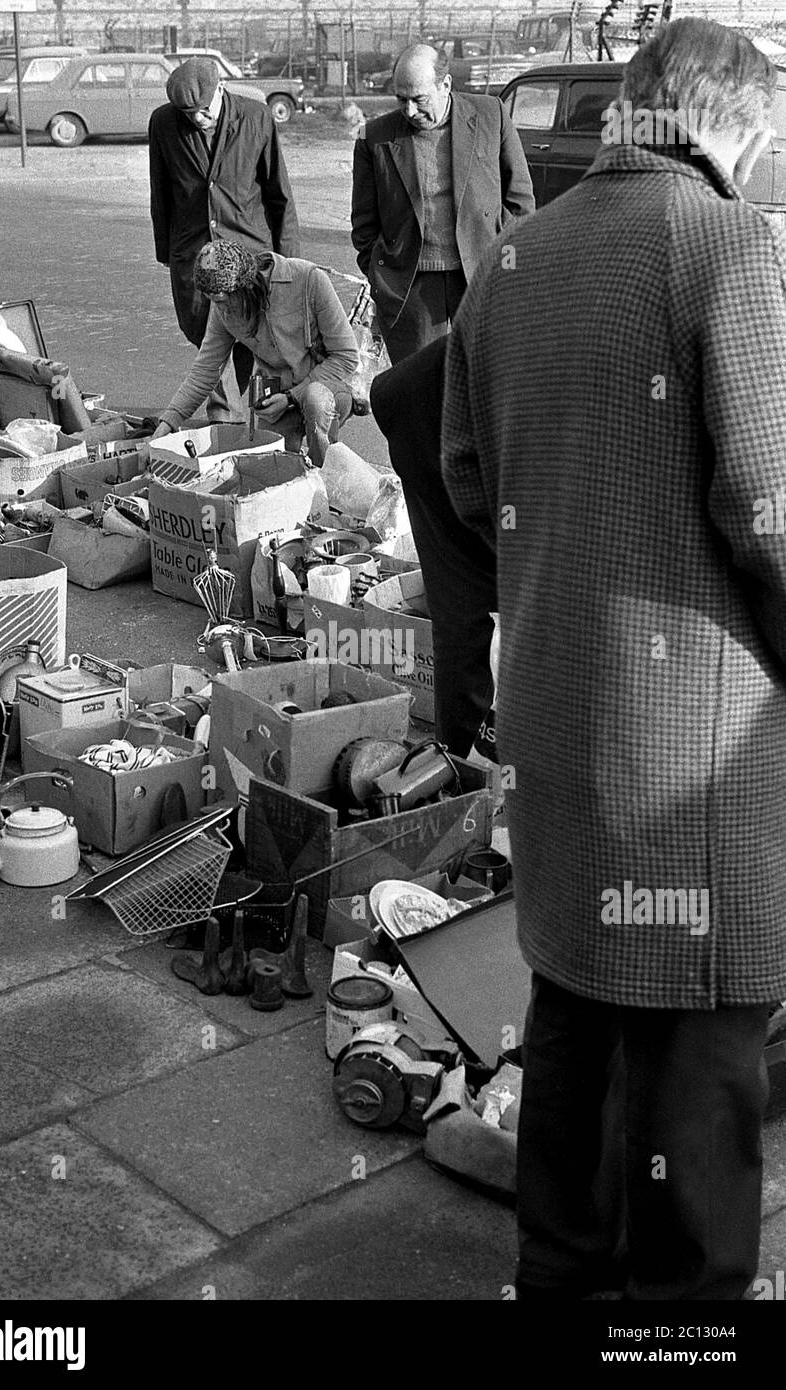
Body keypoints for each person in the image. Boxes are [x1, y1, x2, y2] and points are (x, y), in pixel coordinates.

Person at [441, 17, 786, 1300]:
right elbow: (768, 506)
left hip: (555, 705)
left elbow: (466, 476)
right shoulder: (725, 243)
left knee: (576, 1009)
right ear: (727, 121)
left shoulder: (512, 258)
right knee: (699, 1063)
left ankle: (563, 1276)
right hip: (694, 741)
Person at [350, 42, 534, 365]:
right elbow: (364, 226)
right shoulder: (374, 139)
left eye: (419, 99)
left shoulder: (491, 116)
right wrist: (384, 277)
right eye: (400, 99)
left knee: (484, 384)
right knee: (421, 396)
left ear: (445, 85)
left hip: (482, 280)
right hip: (411, 292)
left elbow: (520, 204)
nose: (409, 111)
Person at [149, 57, 300, 420]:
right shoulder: (163, 123)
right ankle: (224, 423)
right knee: (208, 340)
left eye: (204, 111)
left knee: (260, 339)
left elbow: (279, 192)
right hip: (195, 255)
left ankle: (266, 419)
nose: (198, 120)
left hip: (251, 251)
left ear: (221, 88)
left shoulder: (256, 118)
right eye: (188, 114)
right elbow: (161, 191)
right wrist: (169, 253)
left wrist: (289, 259)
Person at [370, 336, 496, 758]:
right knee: (465, 609)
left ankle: (461, 765)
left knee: (464, 610)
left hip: (424, 402)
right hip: (430, 416)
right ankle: (465, 764)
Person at [152, 239, 359, 469]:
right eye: (213, 301)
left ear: (246, 285)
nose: (222, 310)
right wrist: (166, 425)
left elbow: (346, 356)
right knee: (271, 470)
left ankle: (325, 479)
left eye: (221, 300)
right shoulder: (222, 305)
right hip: (276, 400)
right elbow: (205, 370)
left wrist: (292, 396)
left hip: (328, 389)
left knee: (315, 399)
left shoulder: (309, 280)